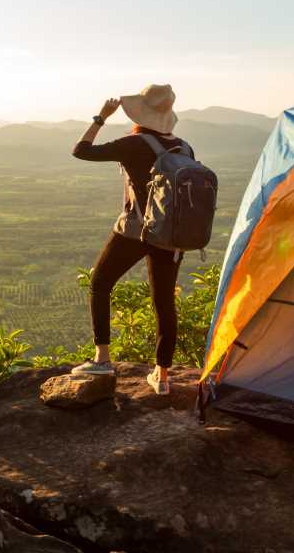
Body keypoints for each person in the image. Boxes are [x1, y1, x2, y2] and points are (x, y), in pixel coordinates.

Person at [68, 84, 191, 395]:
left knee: (100, 283)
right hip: (171, 235)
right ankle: (162, 377)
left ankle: (103, 359)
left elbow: (80, 151)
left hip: (135, 232)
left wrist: (101, 117)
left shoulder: (134, 143)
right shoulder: (184, 148)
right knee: (164, 303)